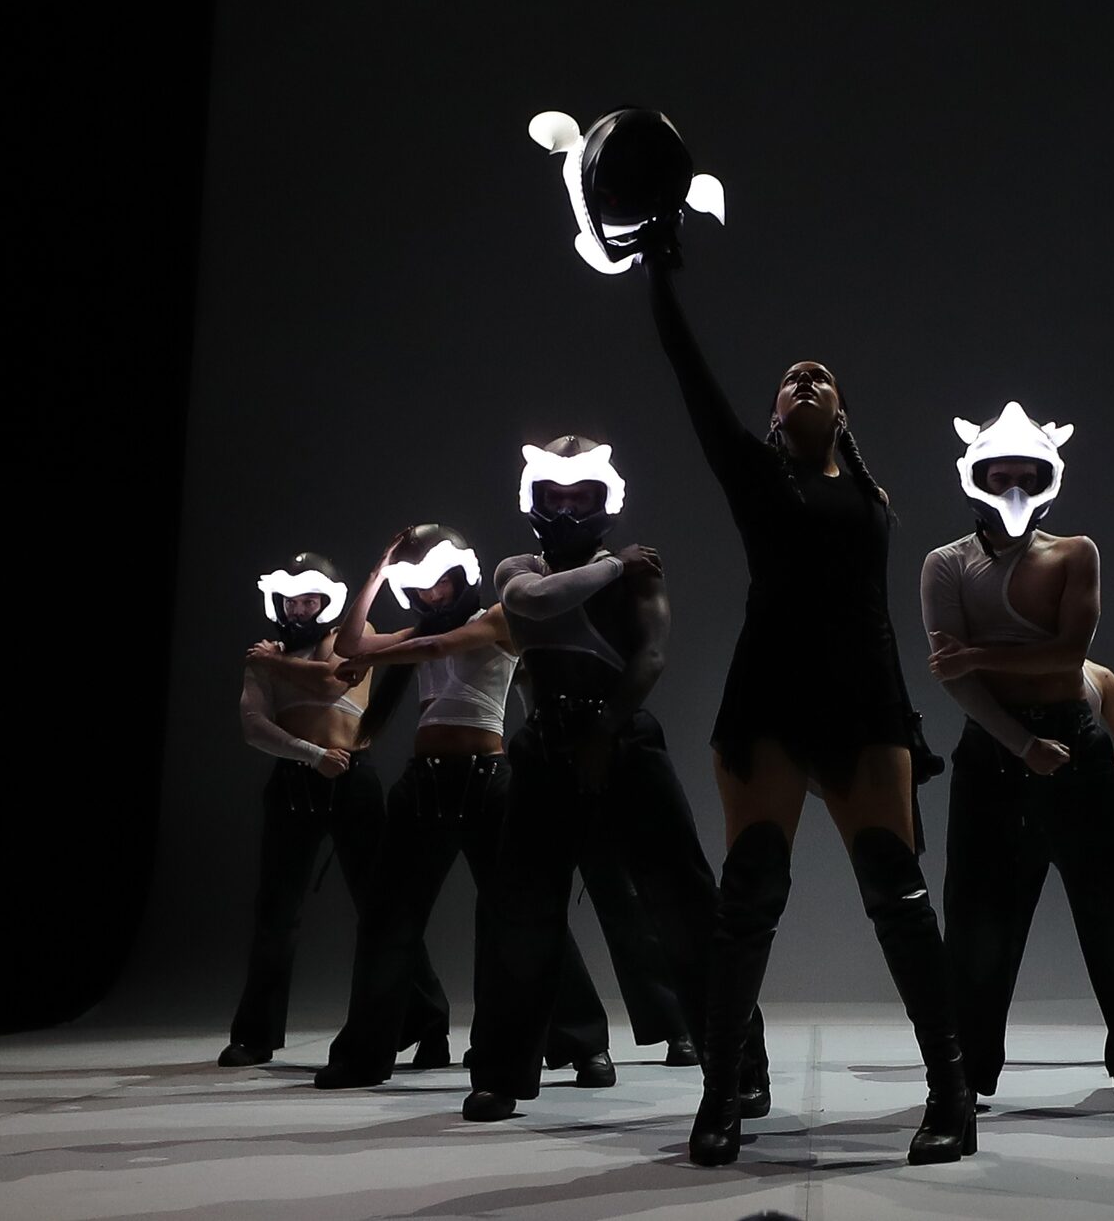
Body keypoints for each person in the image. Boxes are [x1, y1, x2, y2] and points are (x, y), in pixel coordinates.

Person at [646, 243, 975, 1167]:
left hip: (866, 703)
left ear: (841, 412)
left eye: (820, 377)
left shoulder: (868, 496)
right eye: (790, 379)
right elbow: (687, 371)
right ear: (773, 412)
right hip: (768, 701)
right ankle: (719, 1095)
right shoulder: (758, 476)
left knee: (899, 899)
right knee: (746, 898)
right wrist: (656, 271)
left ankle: (951, 1093)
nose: (804, 380)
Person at [459, 435, 768, 1121]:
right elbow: (533, 604)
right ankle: (501, 1073)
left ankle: (740, 1064)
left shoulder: (642, 574)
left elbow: (651, 656)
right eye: (553, 496)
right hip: (544, 744)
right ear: (532, 499)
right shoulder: (521, 567)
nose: (566, 509)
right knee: (518, 913)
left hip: (623, 737)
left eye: (581, 496)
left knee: (685, 909)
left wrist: (605, 732)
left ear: (606, 501)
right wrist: (610, 569)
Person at [920, 403, 1114, 1113]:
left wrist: (980, 654)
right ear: (973, 476)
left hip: (1069, 738)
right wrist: (1019, 742)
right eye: (998, 472)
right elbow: (953, 678)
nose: (1012, 485)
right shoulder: (945, 563)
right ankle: (963, 1073)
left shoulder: (1075, 551)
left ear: (1049, 478)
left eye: (1026, 472)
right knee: (979, 923)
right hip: (999, 748)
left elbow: (1064, 653)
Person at [307, 527, 613, 1090]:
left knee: (523, 917)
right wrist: (378, 569)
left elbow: (430, 649)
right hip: (423, 785)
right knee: (386, 922)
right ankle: (364, 1054)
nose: (428, 596)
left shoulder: (500, 618)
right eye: (416, 587)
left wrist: (380, 652)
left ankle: (583, 1041)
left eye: (437, 582)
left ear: (461, 575)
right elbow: (350, 644)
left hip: (488, 782)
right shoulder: (415, 628)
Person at [218, 551, 449, 1069]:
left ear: (327, 600)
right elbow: (253, 726)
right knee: (275, 913)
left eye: (309, 598)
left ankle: (429, 1020)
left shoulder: (347, 634)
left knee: (382, 909)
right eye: (291, 599)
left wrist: (272, 664)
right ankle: (254, 1035)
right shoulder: (269, 654)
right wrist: (312, 755)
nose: (299, 608)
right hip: (297, 781)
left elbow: (330, 680)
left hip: (351, 781)